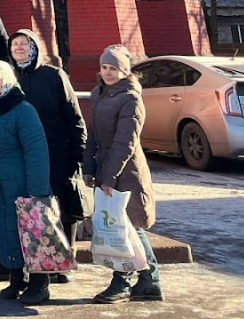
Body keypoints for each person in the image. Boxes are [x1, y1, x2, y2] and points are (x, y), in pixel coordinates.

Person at [85, 44, 162, 303]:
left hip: (127, 171)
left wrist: (109, 178)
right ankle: (150, 280)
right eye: (105, 67)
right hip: (107, 167)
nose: (108, 72)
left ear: (124, 70)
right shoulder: (98, 93)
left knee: (126, 227)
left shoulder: (131, 97)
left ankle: (122, 282)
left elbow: (125, 143)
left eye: (114, 68)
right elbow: (93, 134)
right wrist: (89, 168)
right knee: (127, 227)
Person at [0, 60, 53, 304]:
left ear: (6, 83)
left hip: (21, 182)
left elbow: (36, 151)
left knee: (33, 233)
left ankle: (40, 284)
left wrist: (37, 190)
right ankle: (16, 279)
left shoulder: (23, 110)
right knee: (5, 231)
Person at [10, 29, 88, 248]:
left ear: (34, 48)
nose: (19, 48)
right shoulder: (9, 77)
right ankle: (41, 258)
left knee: (62, 205)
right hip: (24, 153)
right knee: (34, 206)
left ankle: (66, 256)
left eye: (24, 44)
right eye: (15, 44)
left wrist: (79, 152)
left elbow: (73, 116)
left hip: (57, 150)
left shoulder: (53, 75)